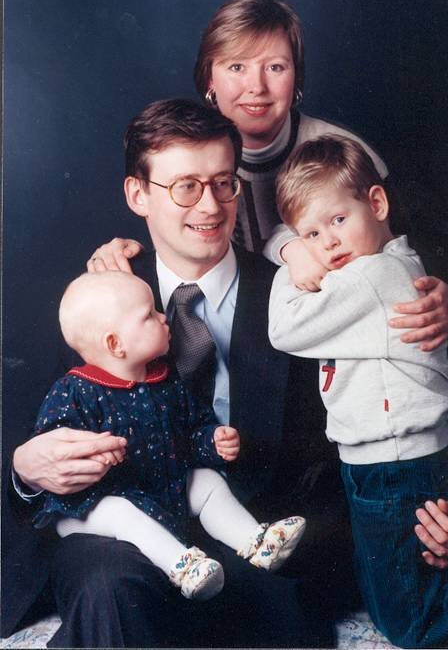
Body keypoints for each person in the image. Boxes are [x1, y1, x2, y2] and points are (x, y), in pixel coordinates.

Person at [9, 99, 333, 648]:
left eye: (224, 183)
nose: (210, 205)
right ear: (138, 195)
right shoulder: (96, 297)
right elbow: (38, 438)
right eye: (186, 187)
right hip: (120, 533)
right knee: (109, 590)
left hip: (242, 519)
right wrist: (27, 470)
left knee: (279, 607)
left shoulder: (291, 294)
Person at [91, 0, 448, 354]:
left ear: (296, 78)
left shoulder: (342, 153)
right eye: (237, 67)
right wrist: (118, 255)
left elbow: (422, 256)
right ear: (209, 79)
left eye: (275, 67)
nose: (256, 87)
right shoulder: (184, 153)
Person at [268, 134, 448, 649]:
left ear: (377, 204)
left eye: (338, 220)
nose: (328, 243)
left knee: (409, 621)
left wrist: (291, 262)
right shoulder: (369, 266)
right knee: (389, 590)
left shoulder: (374, 274)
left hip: (397, 463)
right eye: (312, 234)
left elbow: (283, 329)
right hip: (378, 458)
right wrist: (291, 247)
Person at [34, 270, 305, 601]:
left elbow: (191, 433)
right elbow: (53, 447)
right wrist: (90, 455)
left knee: (207, 482)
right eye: (149, 315)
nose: (163, 317)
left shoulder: (164, 382)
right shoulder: (75, 391)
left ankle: (256, 542)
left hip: (158, 488)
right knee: (120, 511)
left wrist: (212, 440)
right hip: (89, 507)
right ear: (115, 344)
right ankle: (184, 568)